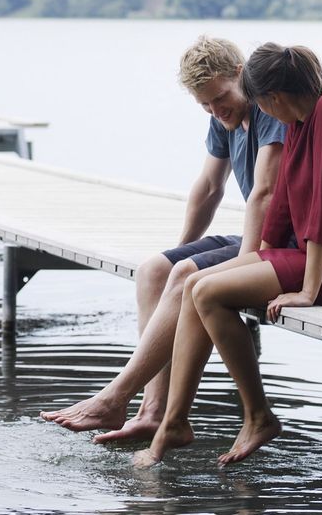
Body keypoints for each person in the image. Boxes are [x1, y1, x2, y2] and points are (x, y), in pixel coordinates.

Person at [132, 43, 322, 467]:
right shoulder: (301, 124)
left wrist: (307, 292)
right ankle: (173, 424)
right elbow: (284, 206)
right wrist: (257, 260)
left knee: (209, 293)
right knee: (198, 284)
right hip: (318, 259)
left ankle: (257, 416)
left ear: (273, 97)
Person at [41, 35, 285, 441]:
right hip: (252, 235)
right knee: (156, 269)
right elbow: (209, 187)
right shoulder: (222, 118)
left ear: (240, 74)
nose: (216, 110)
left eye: (220, 97)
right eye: (204, 105)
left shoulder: (268, 111)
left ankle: (115, 398)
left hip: (279, 243)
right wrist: (178, 252)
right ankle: (153, 411)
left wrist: (243, 264)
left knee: (186, 276)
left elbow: (265, 193)